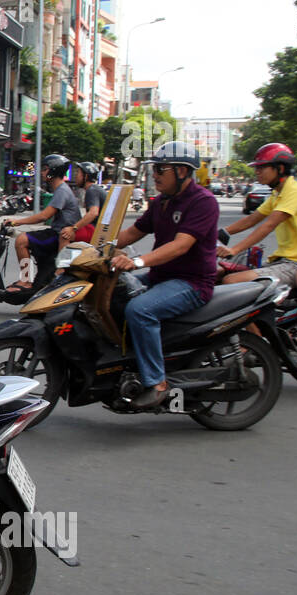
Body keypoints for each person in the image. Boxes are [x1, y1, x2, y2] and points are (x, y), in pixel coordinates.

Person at [109, 142, 221, 410]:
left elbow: (181, 245)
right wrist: (95, 245)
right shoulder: (160, 203)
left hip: (192, 283)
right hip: (162, 276)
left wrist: (136, 261)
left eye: (161, 169)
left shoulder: (203, 202)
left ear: (182, 171)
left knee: (139, 310)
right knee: (111, 291)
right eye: (154, 169)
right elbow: (131, 234)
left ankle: (157, 383)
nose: (155, 175)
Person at [218, 143, 297, 348]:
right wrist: (220, 233)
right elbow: (253, 219)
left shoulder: (295, 190)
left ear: (280, 168)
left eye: (261, 167)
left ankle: (257, 345)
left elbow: (268, 224)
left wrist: (234, 249)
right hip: (281, 260)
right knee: (219, 274)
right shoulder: (278, 193)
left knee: (232, 282)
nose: (257, 172)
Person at [1, 155, 80, 291]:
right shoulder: (61, 190)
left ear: (53, 171)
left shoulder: (62, 191)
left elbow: (44, 216)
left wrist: (16, 222)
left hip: (59, 235)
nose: (42, 173)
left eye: (45, 170)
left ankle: (25, 281)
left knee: (21, 240)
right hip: (58, 233)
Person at [65, 161, 106, 246]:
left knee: (64, 235)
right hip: (101, 229)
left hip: (97, 230)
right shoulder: (95, 189)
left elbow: (93, 213)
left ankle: (63, 259)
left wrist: (74, 228)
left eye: (78, 173)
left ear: (86, 176)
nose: (76, 176)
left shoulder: (92, 190)